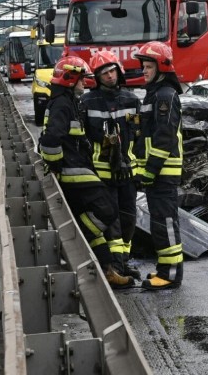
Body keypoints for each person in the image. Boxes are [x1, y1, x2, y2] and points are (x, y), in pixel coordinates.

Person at [39, 56, 134, 290]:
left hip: (76, 169)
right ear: (71, 79)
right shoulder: (62, 104)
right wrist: (56, 167)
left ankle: (107, 270)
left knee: (94, 222)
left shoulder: (67, 101)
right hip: (74, 172)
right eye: (82, 78)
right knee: (107, 210)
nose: (85, 83)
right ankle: (73, 238)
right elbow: (50, 140)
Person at [80, 51, 142, 281]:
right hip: (102, 174)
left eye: (112, 71)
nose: (109, 76)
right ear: (96, 77)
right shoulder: (86, 102)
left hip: (129, 172)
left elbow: (140, 136)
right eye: (104, 73)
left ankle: (124, 264)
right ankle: (113, 269)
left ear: (119, 71)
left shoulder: (131, 100)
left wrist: (140, 170)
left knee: (129, 219)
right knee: (112, 221)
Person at [133, 41, 184, 291]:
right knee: (160, 224)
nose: (144, 70)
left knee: (166, 224)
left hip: (163, 173)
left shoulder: (165, 95)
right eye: (143, 66)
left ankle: (171, 274)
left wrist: (150, 170)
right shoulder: (154, 94)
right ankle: (165, 269)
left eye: (148, 66)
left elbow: (164, 136)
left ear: (161, 66)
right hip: (157, 173)